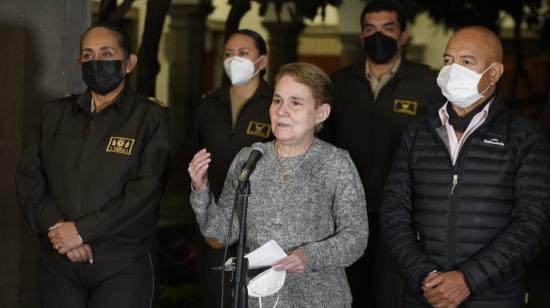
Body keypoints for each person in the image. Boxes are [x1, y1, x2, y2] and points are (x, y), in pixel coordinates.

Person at [381, 26, 550, 307]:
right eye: (448, 60)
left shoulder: (524, 137)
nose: (453, 69)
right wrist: (424, 274)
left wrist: (468, 279)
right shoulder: (418, 132)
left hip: (493, 297)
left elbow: (534, 222)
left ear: (494, 73)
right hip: (424, 294)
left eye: (466, 61)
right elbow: (394, 211)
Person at [16, 23, 172, 308]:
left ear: (129, 63)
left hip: (122, 263)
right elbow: (29, 177)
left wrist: (82, 231)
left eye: (106, 53)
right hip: (58, 261)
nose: (96, 62)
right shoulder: (55, 114)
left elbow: (146, 189)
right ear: (79, 63)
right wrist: (59, 227)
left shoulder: (150, 117)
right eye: (88, 55)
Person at [188, 62, 369, 307]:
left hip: (320, 298)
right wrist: (201, 190)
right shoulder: (249, 158)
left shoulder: (336, 162)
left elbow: (356, 237)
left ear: (321, 113)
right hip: (260, 299)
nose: (281, 111)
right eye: (277, 100)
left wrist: (308, 256)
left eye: (295, 102)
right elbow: (222, 232)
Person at [320, 1, 444, 307]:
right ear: (361, 36)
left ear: (404, 36)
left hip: (402, 216)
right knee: (348, 293)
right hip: (346, 214)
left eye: (388, 28)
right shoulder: (340, 83)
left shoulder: (428, 85)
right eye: (370, 29)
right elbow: (323, 146)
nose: (378, 36)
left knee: (390, 294)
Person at [185, 29, 273, 307]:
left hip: (260, 225)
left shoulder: (276, 105)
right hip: (213, 221)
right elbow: (192, 156)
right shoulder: (209, 104)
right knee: (217, 296)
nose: (234, 60)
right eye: (228, 54)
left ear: (262, 62)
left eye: (243, 53)